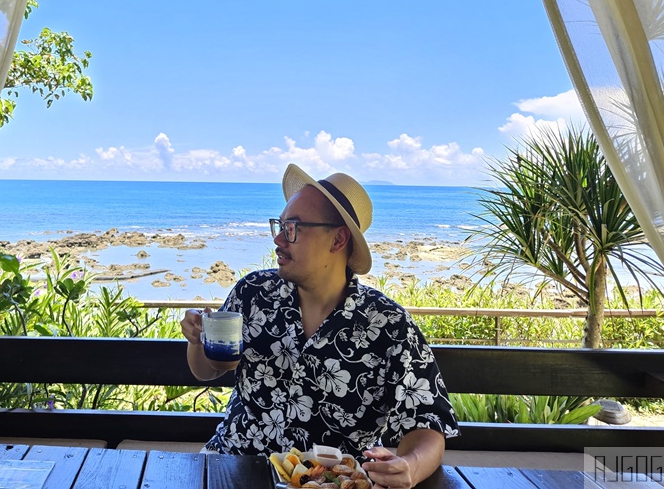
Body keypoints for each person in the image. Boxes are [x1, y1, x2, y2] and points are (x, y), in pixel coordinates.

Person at [181, 164, 458, 489]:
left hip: (329, 482)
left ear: (338, 238)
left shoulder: (388, 325)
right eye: (280, 224)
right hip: (233, 464)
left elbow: (427, 423)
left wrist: (409, 466)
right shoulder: (252, 293)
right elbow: (207, 370)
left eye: (293, 228)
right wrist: (198, 341)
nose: (278, 238)